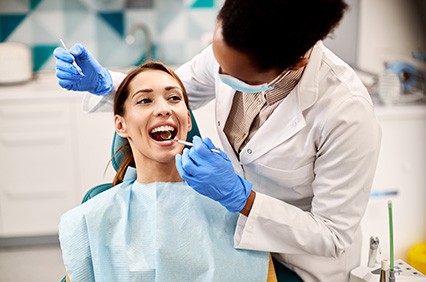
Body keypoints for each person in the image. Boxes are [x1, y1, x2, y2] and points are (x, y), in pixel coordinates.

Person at [53, 0, 382, 281]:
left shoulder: (344, 112)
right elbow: (167, 89)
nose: (217, 72)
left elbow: (333, 234)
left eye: (233, 73)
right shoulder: (93, 218)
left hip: (304, 261)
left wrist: (244, 200)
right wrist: (105, 84)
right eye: (216, 58)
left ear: (294, 63)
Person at [58, 61, 275, 282]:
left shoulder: (237, 214)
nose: (164, 109)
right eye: (144, 100)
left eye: (174, 98)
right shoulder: (89, 221)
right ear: (120, 125)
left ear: (188, 121)